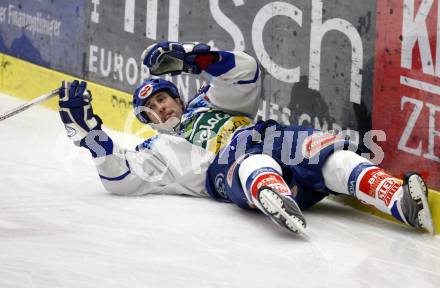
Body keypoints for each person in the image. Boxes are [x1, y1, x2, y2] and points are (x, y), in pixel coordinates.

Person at [58, 41, 434, 235]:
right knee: (251, 159)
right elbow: (119, 178)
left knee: (329, 155)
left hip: (273, 140)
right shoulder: (157, 150)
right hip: (231, 173)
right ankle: (274, 195)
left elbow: (245, 72)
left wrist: (192, 59)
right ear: (148, 120)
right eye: (152, 108)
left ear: (177, 96)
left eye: (164, 98)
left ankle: (396, 200)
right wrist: (89, 134)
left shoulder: (208, 102)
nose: (162, 108)